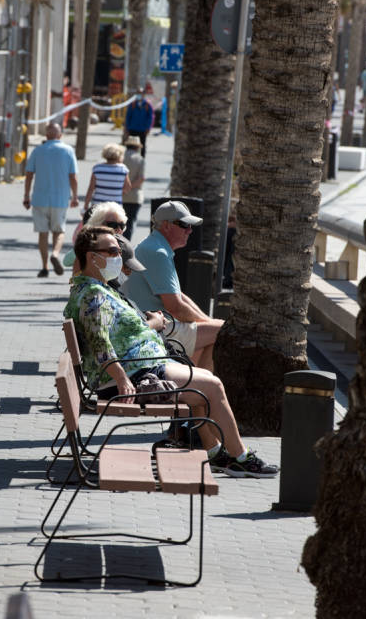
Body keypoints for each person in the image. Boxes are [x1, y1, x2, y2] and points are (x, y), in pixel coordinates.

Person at [65, 226, 278, 478]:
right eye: (112, 251)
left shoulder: (96, 289)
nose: (118, 257)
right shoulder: (93, 296)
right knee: (213, 386)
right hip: (132, 376)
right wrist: (122, 380)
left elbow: (115, 334)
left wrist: (150, 325)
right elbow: (100, 345)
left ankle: (216, 452)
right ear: (92, 256)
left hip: (139, 366)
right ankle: (241, 457)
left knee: (201, 386)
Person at [122, 201, 224, 372]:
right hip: (154, 329)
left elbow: (179, 296)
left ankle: (197, 382)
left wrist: (207, 322)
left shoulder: (156, 246)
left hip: (156, 326)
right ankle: (200, 387)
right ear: (167, 226)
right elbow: (175, 307)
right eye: (184, 225)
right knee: (223, 331)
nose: (190, 231)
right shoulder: (157, 252)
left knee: (215, 331)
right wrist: (210, 324)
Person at [23, 122, 79, 278]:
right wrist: (75, 196)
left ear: (46, 135)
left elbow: (28, 175)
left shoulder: (38, 151)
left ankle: (45, 266)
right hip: (60, 199)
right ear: (60, 135)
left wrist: (26, 196)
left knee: (42, 233)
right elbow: (73, 176)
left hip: (39, 198)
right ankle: (55, 253)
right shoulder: (68, 151)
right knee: (59, 231)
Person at [64, 201, 128, 273]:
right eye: (113, 225)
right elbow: (66, 261)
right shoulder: (90, 243)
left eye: (122, 225)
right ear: (98, 224)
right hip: (90, 282)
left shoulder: (123, 245)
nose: (119, 229)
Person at [83, 143, 131, 211]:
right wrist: (116, 192)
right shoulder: (123, 169)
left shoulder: (97, 168)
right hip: (116, 207)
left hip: (98, 206)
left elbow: (91, 188)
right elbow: (127, 187)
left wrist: (86, 204)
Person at [120, 137, 145, 240]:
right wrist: (129, 187)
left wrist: (122, 188)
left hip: (119, 195)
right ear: (137, 147)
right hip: (134, 196)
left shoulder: (120, 157)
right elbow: (141, 178)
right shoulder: (140, 159)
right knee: (129, 224)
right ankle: (126, 246)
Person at [123, 88, 154, 157]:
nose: (139, 95)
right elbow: (128, 117)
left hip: (142, 130)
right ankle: (128, 160)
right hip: (132, 129)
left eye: (141, 93)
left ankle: (141, 160)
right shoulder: (132, 104)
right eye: (138, 93)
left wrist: (148, 128)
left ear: (144, 94)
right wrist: (126, 128)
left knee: (142, 146)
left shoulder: (147, 105)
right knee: (130, 146)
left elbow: (150, 118)